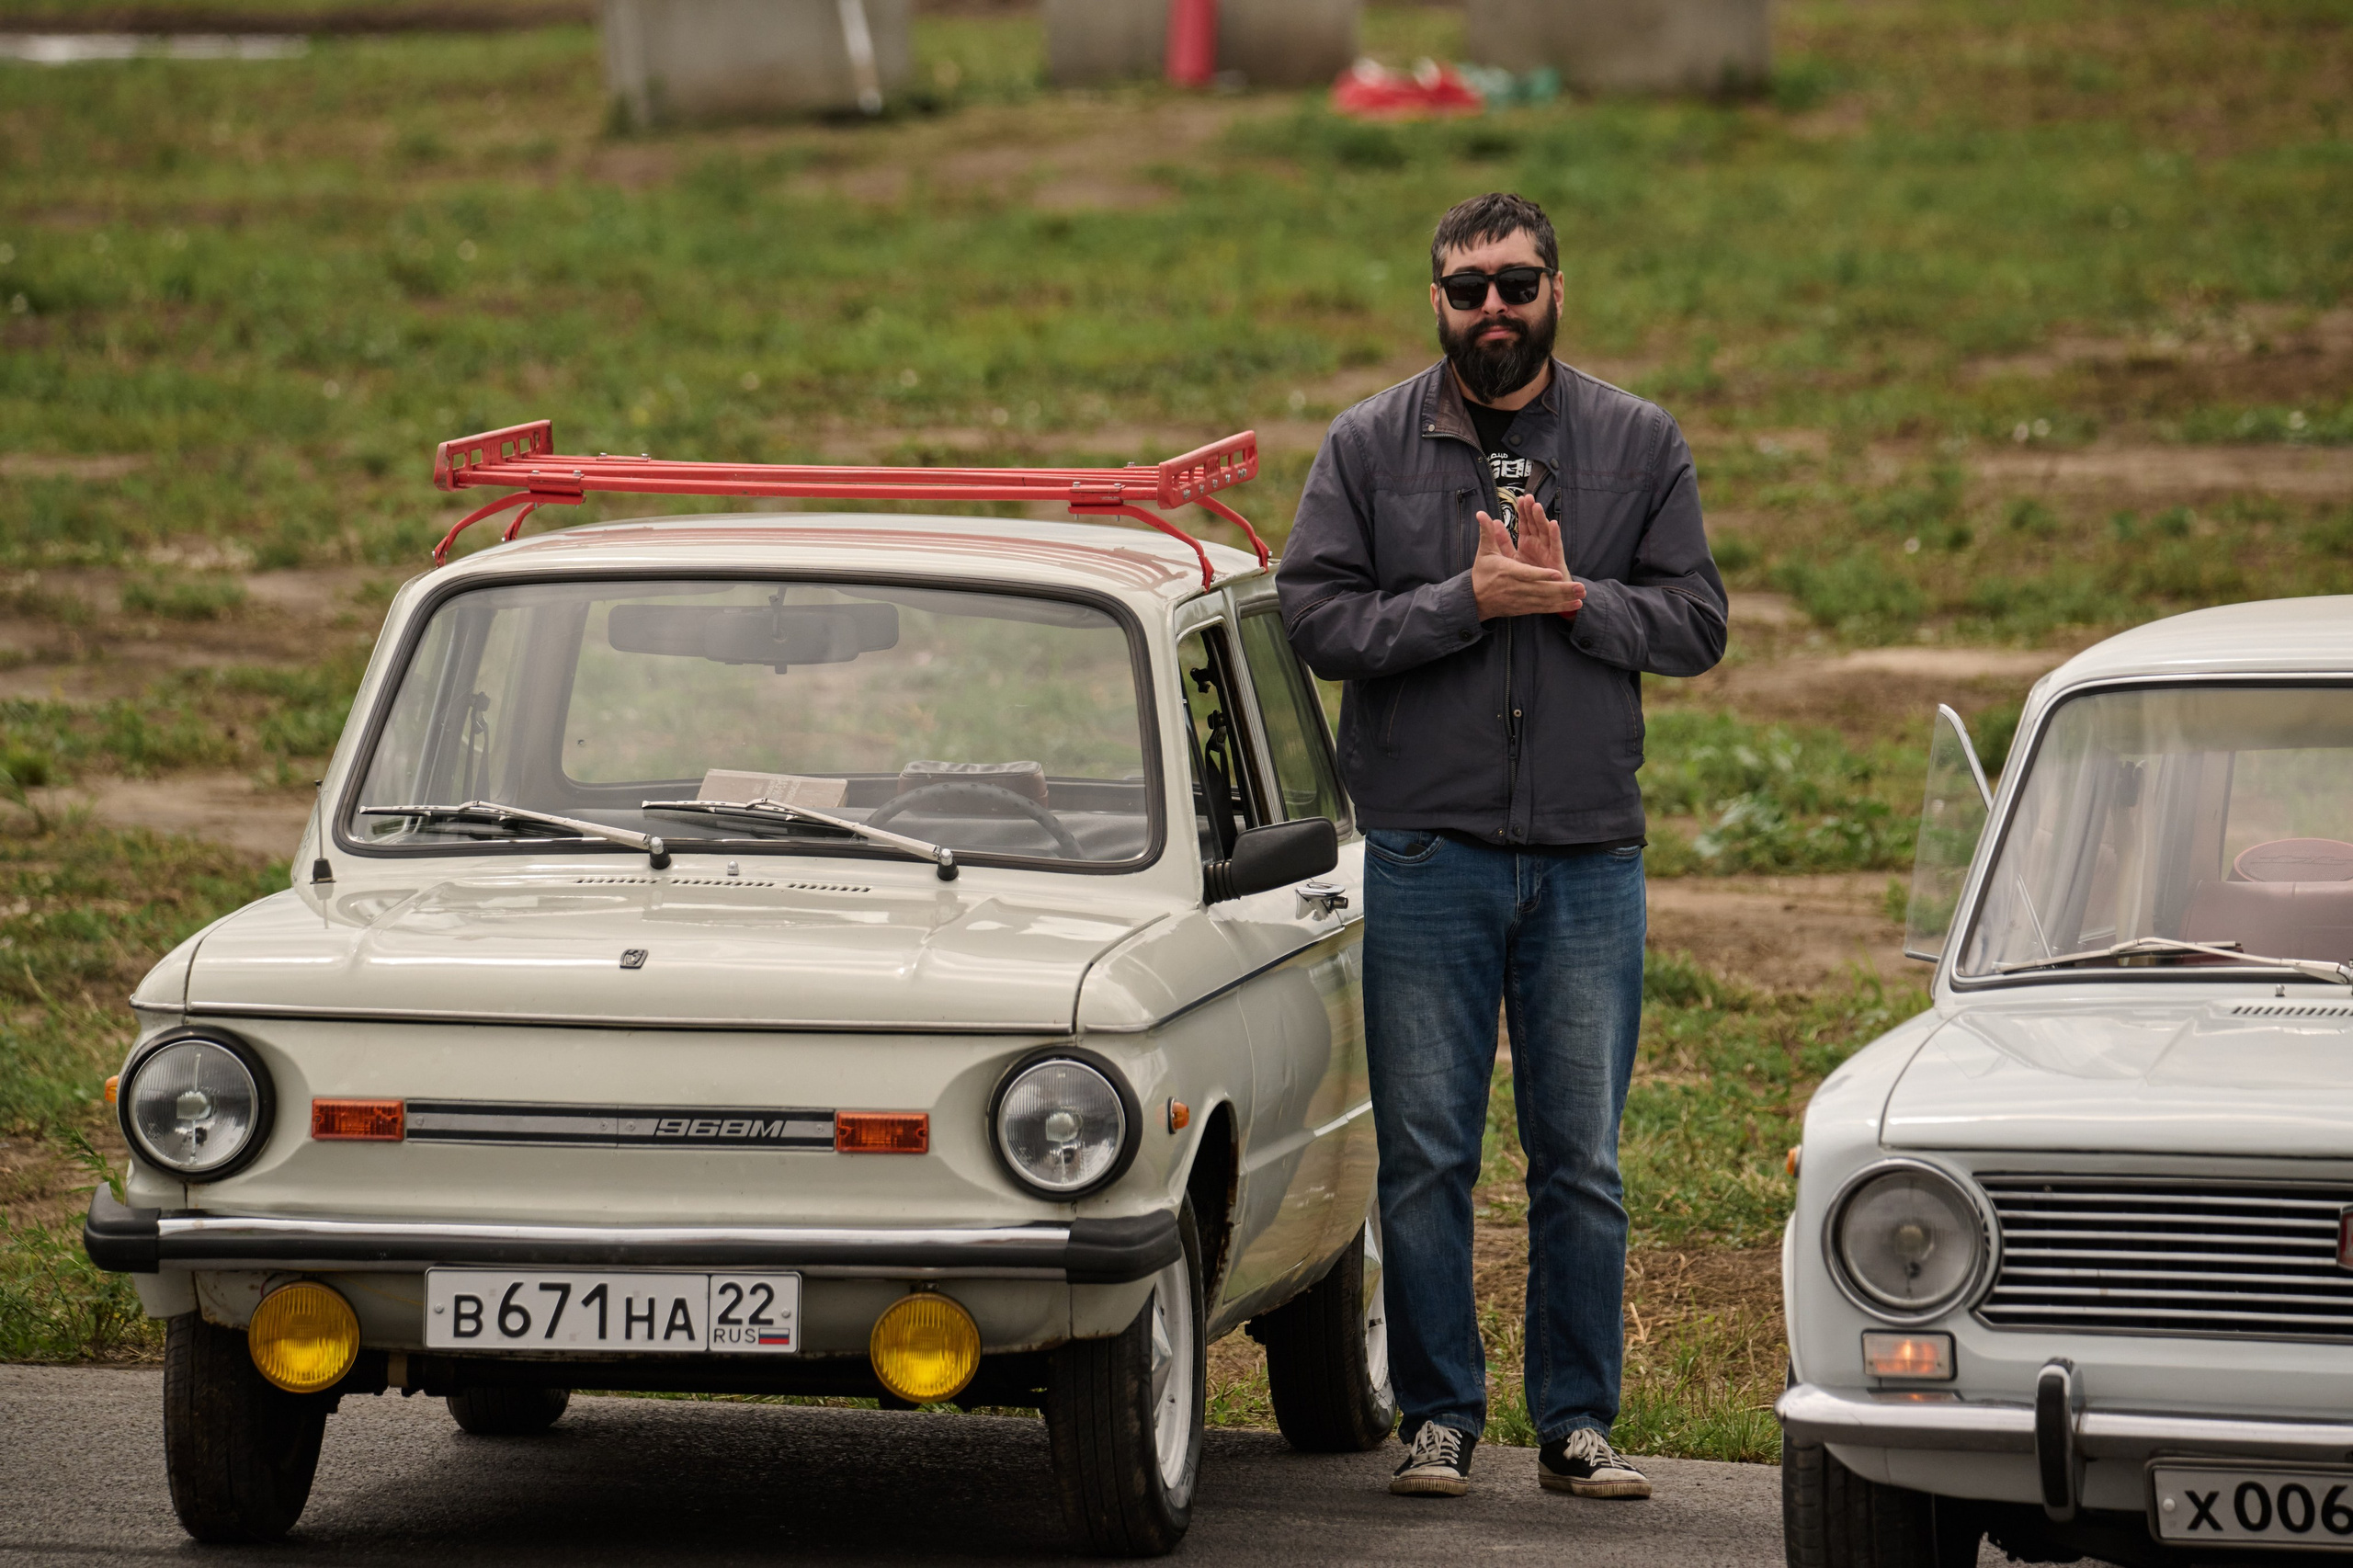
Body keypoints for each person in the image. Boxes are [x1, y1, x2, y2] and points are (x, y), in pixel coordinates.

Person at [1277, 192, 1726, 1500]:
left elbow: (1698, 623)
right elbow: (1314, 619)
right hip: (1428, 852)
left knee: (1580, 1158)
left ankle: (1577, 1422)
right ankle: (1440, 1418)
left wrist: (1576, 596)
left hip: (1589, 855)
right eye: (1468, 288)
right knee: (1428, 1155)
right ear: (1435, 300)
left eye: (1516, 285)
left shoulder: (1638, 440)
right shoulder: (1365, 445)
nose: (1493, 309)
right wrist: (1460, 603)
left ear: (1555, 293)